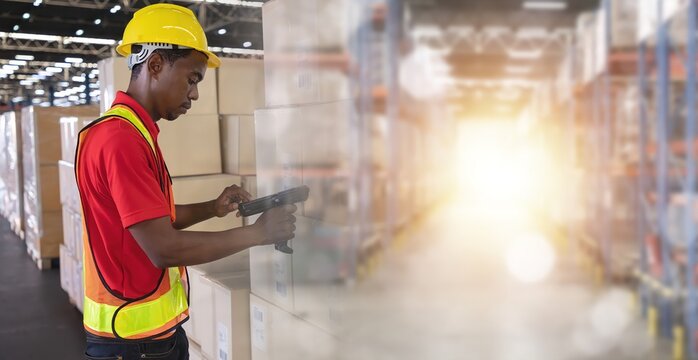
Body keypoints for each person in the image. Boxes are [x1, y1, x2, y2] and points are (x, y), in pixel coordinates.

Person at [76, 4, 297, 359]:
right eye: (192, 79)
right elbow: (163, 247)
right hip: (134, 344)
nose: (194, 94)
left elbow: (150, 222)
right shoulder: (120, 139)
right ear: (156, 65)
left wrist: (212, 208)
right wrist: (259, 234)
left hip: (146, 337)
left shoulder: (133, 132)